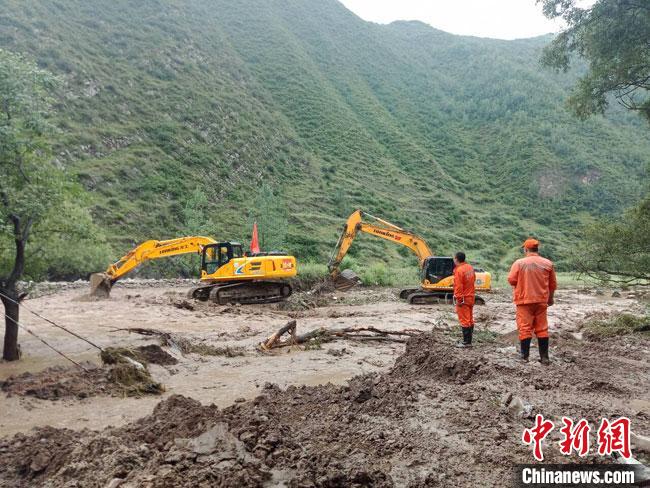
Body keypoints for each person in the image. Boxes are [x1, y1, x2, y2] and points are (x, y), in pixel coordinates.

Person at [507, 238, 557, 365]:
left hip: (524, 301)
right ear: (537, 249)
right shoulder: (548, 263)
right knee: (542, 328)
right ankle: (544, 357)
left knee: (525, 328)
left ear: (526, 249)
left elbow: (512, 280)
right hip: (541, 301)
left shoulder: (519, 263)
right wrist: (550, 299)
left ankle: (524, 357)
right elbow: (552, 284)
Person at [453, 251, 476, 348]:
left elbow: (458, 286)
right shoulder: (469, 267)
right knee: (470, 319)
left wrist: (458, 299)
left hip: (463, 299)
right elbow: (473, 279)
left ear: (456, 259)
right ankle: (469, 341)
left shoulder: (459, 270)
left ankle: (467, 342)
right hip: (471, 297)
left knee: (464, 320)